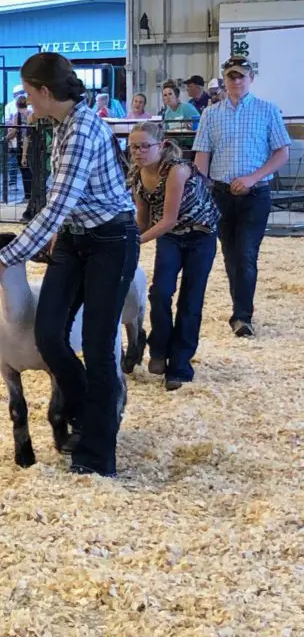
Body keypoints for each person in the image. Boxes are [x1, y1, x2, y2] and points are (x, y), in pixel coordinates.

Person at [0, 52, 139, 479]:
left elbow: (56, 206)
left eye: (30, 94)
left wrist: (8, 256)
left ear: (46, 92)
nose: (27, 103)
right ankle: (87, 408)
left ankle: (97, 453)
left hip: (110, 241)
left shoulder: (83, 130)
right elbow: (61, 210)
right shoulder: (61, 125)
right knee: (49, 335)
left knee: (99, 344)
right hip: (75, 238)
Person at [192, 55, 291, 338]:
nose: (236, 81)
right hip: (220, 194)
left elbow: (282, 152)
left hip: (256, 194)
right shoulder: (210, 114)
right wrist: (199, 190)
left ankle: (242, 316)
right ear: (224, 79)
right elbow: (202, 156)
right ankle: (240, 308)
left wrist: (252, 177)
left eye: (241, 76)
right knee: (230, 254)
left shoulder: (267, 110)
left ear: (250, 79)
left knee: (246, 253)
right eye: (231, 76)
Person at [129, 122, 220, 391]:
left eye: (145, 146)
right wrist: (125, 239)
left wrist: (135, 243)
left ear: (162, 146)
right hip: (171, 238)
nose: (139, 152)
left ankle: (180, 365)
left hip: (200, 235)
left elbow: (168, 219)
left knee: (190, 299)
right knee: (160, 292)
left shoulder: (177, 170)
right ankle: (158, 349)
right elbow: (143, 221)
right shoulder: (137, 175)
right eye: (134, 146)